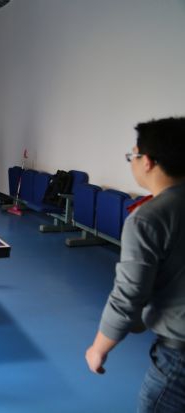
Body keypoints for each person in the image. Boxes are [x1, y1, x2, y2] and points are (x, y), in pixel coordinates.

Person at [85, 117, 185, 413]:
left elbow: (128, 294)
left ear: (148, 161)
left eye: (133, 155)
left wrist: (98, 348)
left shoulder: (148, 218)